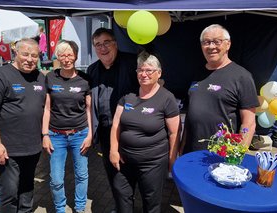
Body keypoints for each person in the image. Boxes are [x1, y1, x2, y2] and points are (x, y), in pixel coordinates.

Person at [109, 51, 180, 213]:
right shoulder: (128, 96)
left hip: (152, 163)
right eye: (140, 70)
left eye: (149, 70)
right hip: (124, 159)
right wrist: (113, 150)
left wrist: (172, 159)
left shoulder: (167, 98)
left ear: (159, 73)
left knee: (151, 201)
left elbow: (174, 133)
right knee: (122, 194)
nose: (144, 74)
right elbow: (116, 125)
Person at [0, 38, 46, 212]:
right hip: (9, 149)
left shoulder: (40, 77)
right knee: (9, 194)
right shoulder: (0, 75)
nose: (30, 59)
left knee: (27, 192)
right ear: (15, 53)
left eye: (34, 55)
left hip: (33, 148)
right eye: (25, 54)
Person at [180, 24, 259, 154]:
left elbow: (249, 123)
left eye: (217, 41)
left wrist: (237, 154)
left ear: (228, 45)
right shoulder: (197, 74)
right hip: (191, 152)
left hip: (222, 154)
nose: (211, 46)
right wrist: (182, 146)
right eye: (206, 42)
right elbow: (190, 116)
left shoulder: (242, 76)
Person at [87, 27, 139, 210]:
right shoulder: (92, 70)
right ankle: (122, 207)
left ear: (115, 43)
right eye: (98, 44)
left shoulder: (133, 63)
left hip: (131, 131)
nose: (102, 48)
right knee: (114, 173)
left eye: (106, 42)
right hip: (106, 133)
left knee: (134, 173)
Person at [42, 40, 92, 213]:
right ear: (57, 56)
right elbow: (47, 108)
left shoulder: (85, 79)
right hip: (56, 135)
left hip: (80, 134)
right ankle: (60, 208)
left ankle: (79, 208)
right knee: (56, 179)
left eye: (70, 54)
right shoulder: (50, 77)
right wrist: (45, 135)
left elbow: (88, 110)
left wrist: (90, 135)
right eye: (62, 54)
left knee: (82, 175)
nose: (66, 58)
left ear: (76, 56)